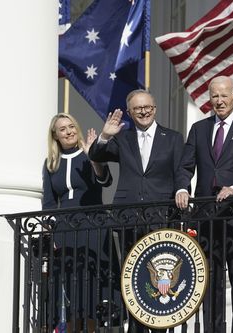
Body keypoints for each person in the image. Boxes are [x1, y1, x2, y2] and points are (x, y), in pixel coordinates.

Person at [89, 89, 184, 333]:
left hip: (162, 216)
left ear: (155, 108)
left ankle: (162, 327)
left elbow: (180, 172)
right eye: (138, 108)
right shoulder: (123, 139)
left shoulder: (172, 137)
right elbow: (96, 154)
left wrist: (183, 191)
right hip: (129, 216)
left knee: (162, 276)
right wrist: (104, 136)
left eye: (148, 107)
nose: (144, 112)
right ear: (130, 113)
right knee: (134, 278)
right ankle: (136, 328)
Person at [175, 75, 233, 332]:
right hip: (205, 216)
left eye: (224, 95)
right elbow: (185, 166)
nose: (219, 100)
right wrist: (182, 187)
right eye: (215, 95)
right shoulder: (199, 129)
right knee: (210, 281)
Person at [42, 113, 113, 332]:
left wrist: (94, 158)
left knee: (91, 284)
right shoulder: (50, 163)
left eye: (72, 126)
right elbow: (49, 202)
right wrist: (52, 230)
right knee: (69, 285)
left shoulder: (89, 152)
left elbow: (106, 181)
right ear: (55, 135)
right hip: (65, 228)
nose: (69, 131)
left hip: (92, 224)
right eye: (62, 129)